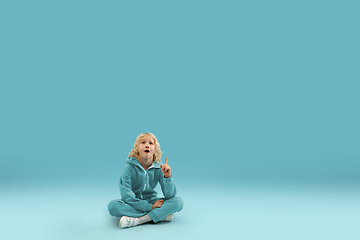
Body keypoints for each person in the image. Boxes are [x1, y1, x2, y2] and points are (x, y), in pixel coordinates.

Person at [108, 132, 184, 228]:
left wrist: (167, 177)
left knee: (178, 202)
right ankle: (159, 216)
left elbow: (170, 196)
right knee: (113, 206)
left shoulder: (159, 168)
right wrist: (150, 207)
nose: (147, 145)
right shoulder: (129, 167)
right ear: (137, 149)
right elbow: (127, 196)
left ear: (155, 150)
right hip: (133, 203)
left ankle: (138, 220)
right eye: (143, 142)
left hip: (152, 201)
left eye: (151, 143)